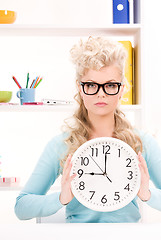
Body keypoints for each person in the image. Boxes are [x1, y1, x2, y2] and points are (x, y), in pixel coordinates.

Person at [14, 37, 161, 223]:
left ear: (122, 89)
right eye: (91, 85)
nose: (101, 93)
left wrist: (147, 194)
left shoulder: (142, 143)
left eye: (110, 85)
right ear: (80, 88)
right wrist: (62, 198)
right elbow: (21, 207)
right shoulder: (62, 145)